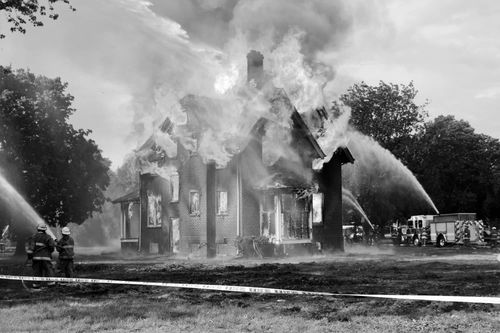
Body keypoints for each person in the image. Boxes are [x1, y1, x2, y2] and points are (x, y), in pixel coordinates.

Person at [28, 223, 55, 289]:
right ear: (45, 230)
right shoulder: (48, 237)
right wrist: (48, 251)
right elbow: (52, 247)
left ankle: (36, 285)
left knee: (37, 271)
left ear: (38, 229)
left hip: (36, 258)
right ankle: (51, 284)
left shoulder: (34, 237)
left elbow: (31, 248)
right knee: (48, 270)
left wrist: (29, 256)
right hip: (46, 258)